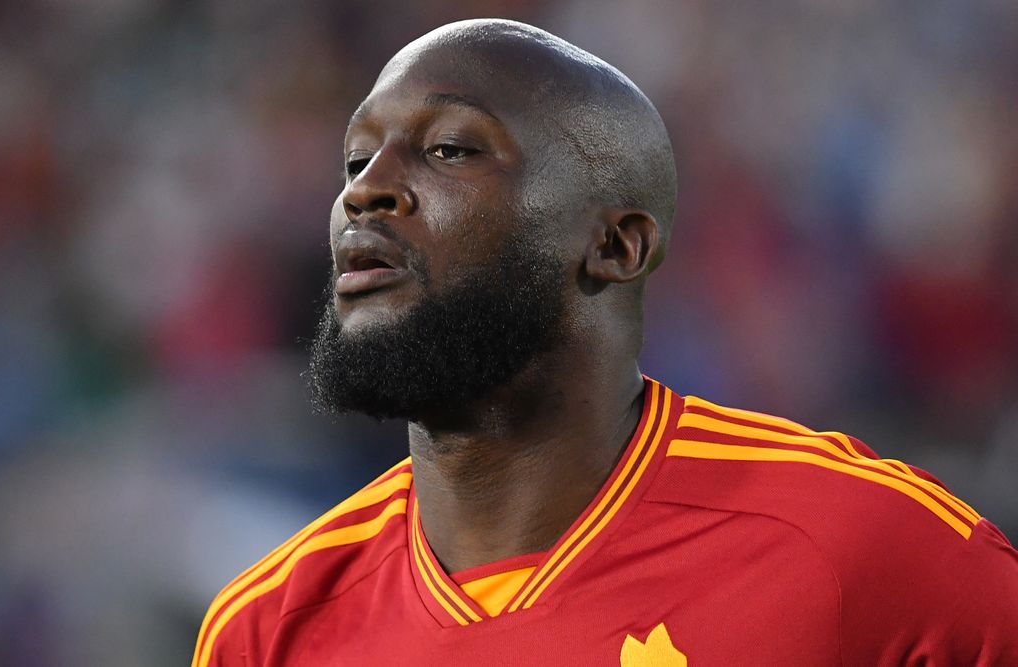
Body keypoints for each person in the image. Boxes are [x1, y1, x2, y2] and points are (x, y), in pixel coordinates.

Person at [192, 19, 1018, 666]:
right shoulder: (266, 630)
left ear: (616, 245)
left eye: (448, 148)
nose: (365, 192)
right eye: (356, 159)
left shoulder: (855, 544)